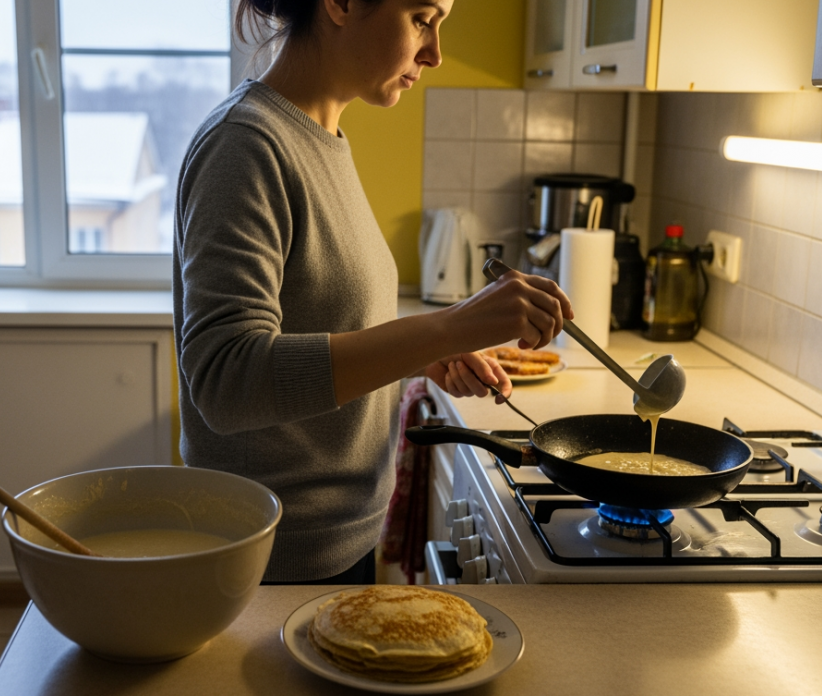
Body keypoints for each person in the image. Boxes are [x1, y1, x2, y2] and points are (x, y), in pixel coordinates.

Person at [173, 0, 572, 584]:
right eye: (422, 18)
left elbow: (316, 318)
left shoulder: (321, 137)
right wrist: (451, 326)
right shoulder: (246, 145)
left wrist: (421, 353)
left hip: (337, 537)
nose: (434, 53)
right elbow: (227, 381)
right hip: (273, 559)